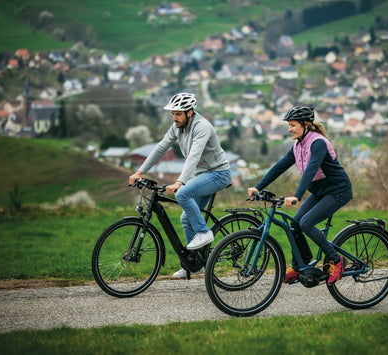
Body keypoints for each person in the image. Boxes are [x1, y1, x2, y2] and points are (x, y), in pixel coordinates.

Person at [129, 92, 231, 278]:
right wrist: (140, 171)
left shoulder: (202, 127)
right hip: (202, 174)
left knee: (182, 194)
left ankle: (204, 232)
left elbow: (193, 155)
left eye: (178, 114)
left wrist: (179, 182)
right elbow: (161, 147)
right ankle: (193, 263)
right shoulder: (178, 126)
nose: (174, 118)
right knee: (185, 218)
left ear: (190, 113)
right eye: (173, 114)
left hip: (218, 174)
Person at [247, 106, 353, 285]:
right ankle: (300, 265)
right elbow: (280, 166)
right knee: (295, 223)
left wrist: (297, 195)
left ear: (306, 125)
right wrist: (258, 186)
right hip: (320, 191)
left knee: (306, 223)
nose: (289, 129)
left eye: (293, 125)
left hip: (337, 190)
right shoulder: (297, 145)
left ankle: (336, 260)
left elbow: (311, 170)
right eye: (289, 125)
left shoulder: (317, 142)